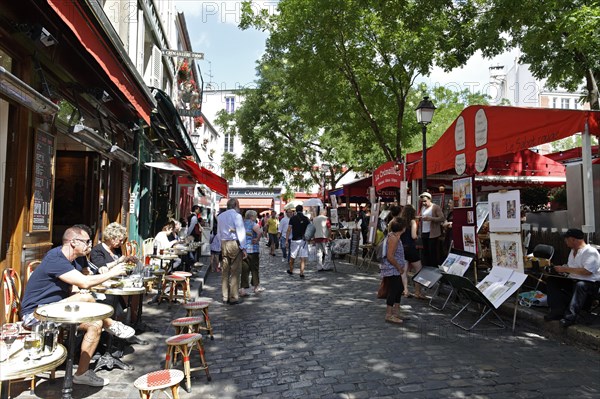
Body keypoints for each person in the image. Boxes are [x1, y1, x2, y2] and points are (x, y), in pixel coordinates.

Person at [20, 226, 134, 387]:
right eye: (87, 241)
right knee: (85, 297)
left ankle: (81, 373)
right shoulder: (56, 258)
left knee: (96, 324)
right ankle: (112, 324)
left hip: (58, 310)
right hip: (37, 314)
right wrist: (112, 272)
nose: (90, 244)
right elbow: (84, 282)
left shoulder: (74, 259)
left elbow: (76, 284)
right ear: (73, 242)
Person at [544, 228, 600, 327]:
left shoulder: (590, 252)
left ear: (574, 240)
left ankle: (570, 317)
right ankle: (557, 311)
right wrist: (562, 269)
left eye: (567, 239)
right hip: (573, 279)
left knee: (580, 285)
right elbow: (572, 268)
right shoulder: (572, 251)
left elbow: (587, 271)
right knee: (553, 280)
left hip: (591, 283)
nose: (565, 242)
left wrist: (566, 269)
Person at [217, 198, 247, 304]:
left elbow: (218, 233)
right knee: (235, 271)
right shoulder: (237, 216)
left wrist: (220, 244)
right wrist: (243, 248)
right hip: (233, 243)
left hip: (224, 243)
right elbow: (241, 232)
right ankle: (233, 297)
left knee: (225, 271)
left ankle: (225, 296)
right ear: (235, 205)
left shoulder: (220, 216)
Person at [380, 218, 408, 324]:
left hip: (393, 268)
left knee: (399, 288)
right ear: (401, 228)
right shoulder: (394, 238)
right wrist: (399, 267)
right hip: (392, 268)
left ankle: (396, 312)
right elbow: (390, 256)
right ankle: (389, 314)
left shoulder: (394, 236)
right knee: (393, 290)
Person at [399, 205, 425, 299]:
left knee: (404, 271)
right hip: (411, 248)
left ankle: (405, 290)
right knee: (419, 270)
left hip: (402, 248)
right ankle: (417, 292)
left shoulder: (401, 222)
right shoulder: (412, 222)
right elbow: (413, 236)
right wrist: (418, 237)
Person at [240, 210, 264, 296]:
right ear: (251, 217)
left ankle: (242, 289)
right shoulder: (253, 223)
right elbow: (260, 232)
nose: (255, 218)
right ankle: (256, 287)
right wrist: (257, 239)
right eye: (255, 216)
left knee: (244, 270)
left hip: (243, 249)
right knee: (254, 269)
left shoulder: (241, 223)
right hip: (253, 250)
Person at [418, 192, 445, 267]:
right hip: (424, 232)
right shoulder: (423, 208)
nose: (424, 203)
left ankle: (433, 267)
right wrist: (419, 218)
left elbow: (442, 218)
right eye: (422, 201)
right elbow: (421, 216)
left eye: (425, 201)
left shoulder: (435, 207)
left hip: (433, 233)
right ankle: (427, 266)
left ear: (430, 200)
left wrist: (431, 218)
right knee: (425, 251)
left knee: (432, 252)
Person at [286, 204, 310, 278]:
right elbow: (309, 229)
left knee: (292, 256)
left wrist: (286, 240)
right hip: (303, 240)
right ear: (302, 210)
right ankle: (301, 273)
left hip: (295, 240)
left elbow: (289, 230)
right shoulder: (306, 218)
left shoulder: (292, 218)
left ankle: (291, 270)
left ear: (296, 210)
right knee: (302, 257)